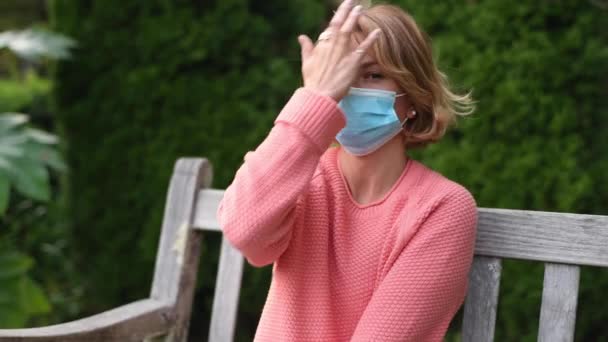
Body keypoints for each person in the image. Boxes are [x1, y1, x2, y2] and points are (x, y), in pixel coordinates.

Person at [216, 0, 478, 340]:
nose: (348, 93)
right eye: (340, 76)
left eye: (372, 75)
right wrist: (316, 97)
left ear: (414, 97)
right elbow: (244, 231)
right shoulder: (300, 178)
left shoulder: (442, 208)